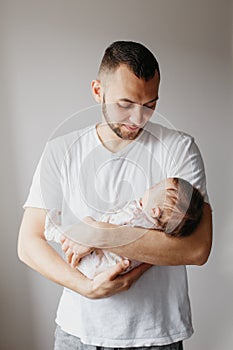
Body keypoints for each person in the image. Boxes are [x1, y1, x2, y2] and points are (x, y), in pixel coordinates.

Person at [18, 41, 212, 350]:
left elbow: (196, 248)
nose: (138, 118)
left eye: (150, 105)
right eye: (125, 104)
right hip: (76, 335)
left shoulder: (179, 149)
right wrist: (87, 288)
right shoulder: (61, 151)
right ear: (98, 91)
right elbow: (28, 244)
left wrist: (102, 234)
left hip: (156, 337)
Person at [44, 177, 204, 279]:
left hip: (92, 259)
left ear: (155, 211)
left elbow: (108, 224)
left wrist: (93, 225)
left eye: (155, 187)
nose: (150, 187)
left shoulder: (134, 215)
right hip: (103, 271)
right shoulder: (157, 235)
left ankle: (52, 230)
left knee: (77, 229)